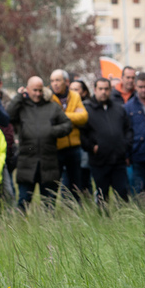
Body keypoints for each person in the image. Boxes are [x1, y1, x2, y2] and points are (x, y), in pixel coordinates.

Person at [8, 77, 73, 210]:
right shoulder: (22, 107)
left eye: (40, 90)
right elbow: (8, 115)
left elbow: (68, 124)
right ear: (27, 89)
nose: (37, 94)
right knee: (23, 202)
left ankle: (49, 230)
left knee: (49, 205)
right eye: (34, 90)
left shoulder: (52, 107)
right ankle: (20, 230)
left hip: (48, 163)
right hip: (27, 163)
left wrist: (52, 131)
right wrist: (19, 97)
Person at [81, 77, 132, 210]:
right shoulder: (87, 109)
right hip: (99, 162)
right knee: (102, 196)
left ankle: (125, 220)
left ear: (110, 90)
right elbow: (81, 134)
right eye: (100, 89)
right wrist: (92, 147)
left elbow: (128, 129)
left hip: (118, 161)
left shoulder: (118, 108)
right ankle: (103, 222)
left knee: (123, 194)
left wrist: (124, 145)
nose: (103, 92)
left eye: (106, 89)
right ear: (95, 90)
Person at [49, 69, 88, 200]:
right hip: (56, 148)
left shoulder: (74, 96)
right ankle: (51, 212)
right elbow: (50, 120)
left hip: (74, 147)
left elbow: (83, 117)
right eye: (52, 81)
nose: (55, 84)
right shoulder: (49, 97)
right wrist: (73, 116)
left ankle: (75, 212)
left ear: (66, 82)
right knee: (54, 184)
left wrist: (62, 116)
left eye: (58, 80)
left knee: (76, 183)